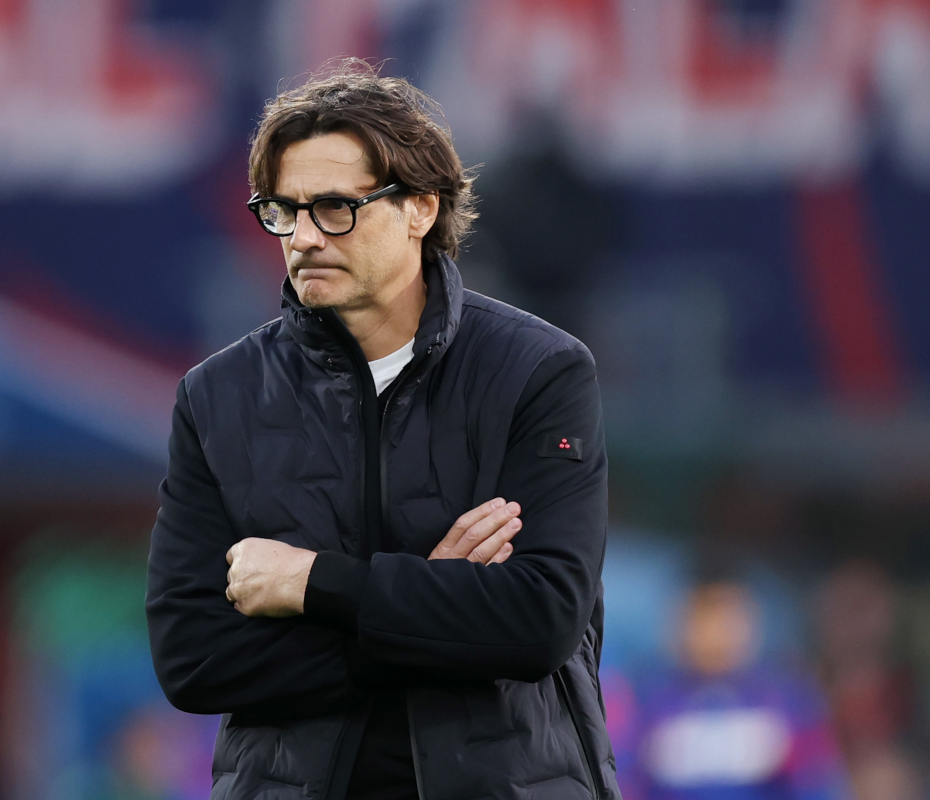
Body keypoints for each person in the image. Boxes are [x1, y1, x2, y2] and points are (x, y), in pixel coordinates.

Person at [146, 60, 617, 800]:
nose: (302, 236)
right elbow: (193, 660)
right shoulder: (215, 396)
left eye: (335, 207)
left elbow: (538, 621)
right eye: (281, 209)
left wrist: (313, 585)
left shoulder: (540, 369)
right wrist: (435, 604)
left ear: (420, 209)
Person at [626, 580, 850, 800]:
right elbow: (624, 781)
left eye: (728, 620)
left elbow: (814, 782)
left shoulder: (787, 700)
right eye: (704, 620)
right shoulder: (647, 700)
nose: (716, 635)